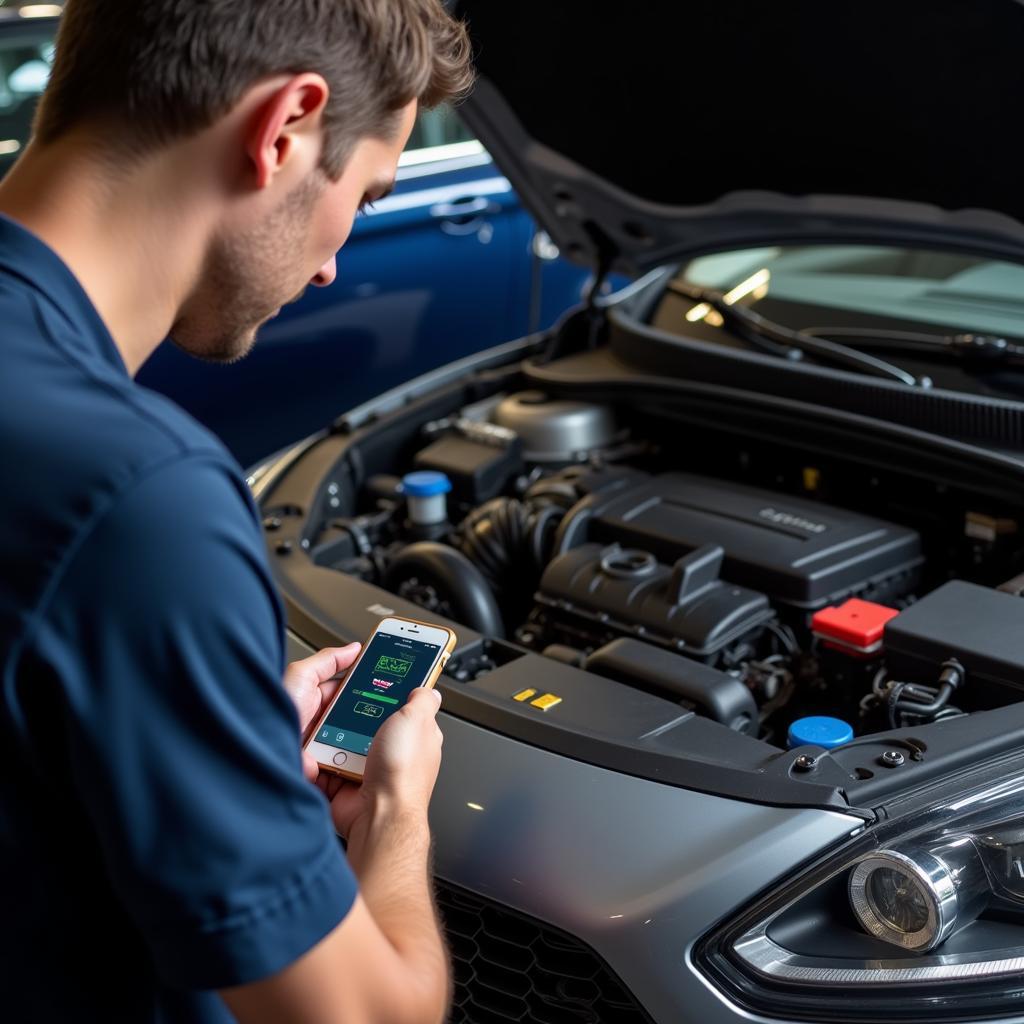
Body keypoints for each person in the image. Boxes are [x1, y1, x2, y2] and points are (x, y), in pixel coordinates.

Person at [0, 2, 473, 1021]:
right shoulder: (138, 498)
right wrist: (395, 813)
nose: (335, 260)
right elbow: (365, 1017)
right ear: (287, 129)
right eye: (365, 193)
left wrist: (211, 718)